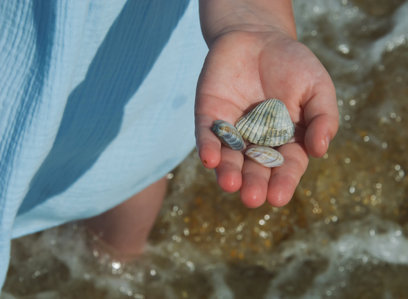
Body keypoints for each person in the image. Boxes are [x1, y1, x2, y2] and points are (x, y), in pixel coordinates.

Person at [0, 0, 338, 289]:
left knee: (132, 153)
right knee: (130, 150)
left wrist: (253, 19)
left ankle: (115, 272)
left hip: (137, 53)